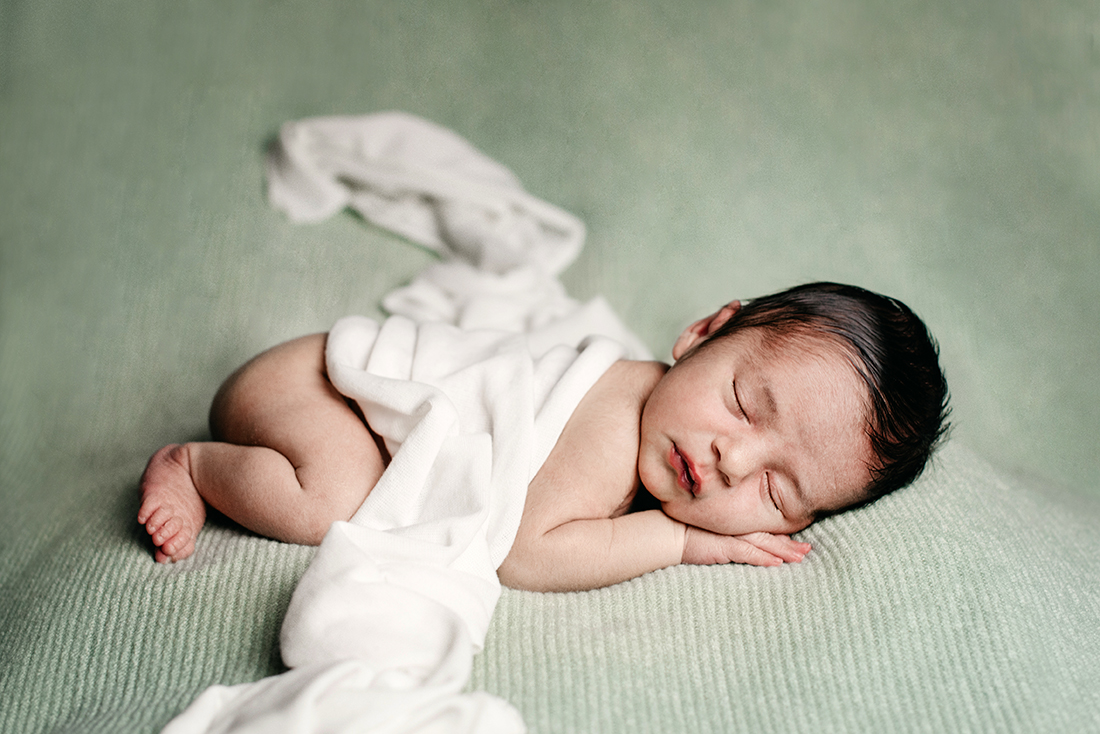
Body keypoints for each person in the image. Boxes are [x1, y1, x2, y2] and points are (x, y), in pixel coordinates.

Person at [138, 282, 949, 592]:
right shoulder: (616, 416)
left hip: (325, 389)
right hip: (310, 388)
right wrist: (675, 542)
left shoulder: (659, 430)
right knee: (335, 501)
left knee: (351, 490)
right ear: (702, 332)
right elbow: (526, 552)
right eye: (742, 403)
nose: (730, 460)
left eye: (775, 492)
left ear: (795, 527)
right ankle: (194, 465)